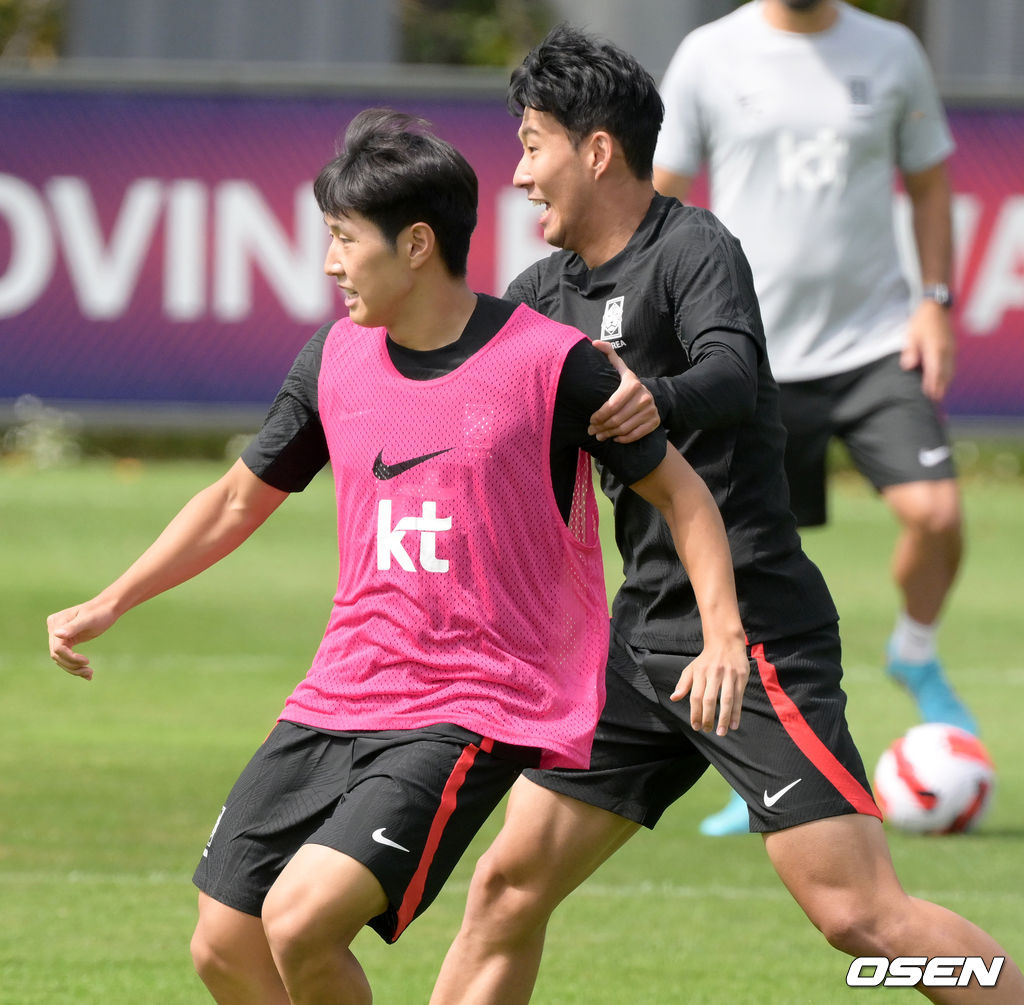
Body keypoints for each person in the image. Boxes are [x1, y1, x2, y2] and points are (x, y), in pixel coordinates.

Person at [46, 108, 749, 1005]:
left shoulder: (552, 365)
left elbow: (684, 496)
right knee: (224, 942)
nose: (330, 263)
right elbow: (234, 499)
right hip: (341, 689)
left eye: (344, 239)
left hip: (474, 698)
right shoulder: (336, 358)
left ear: (416, 244)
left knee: (301, 919)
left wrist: (722, 633)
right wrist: (112, 601)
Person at [429, 26, 1024, 1005]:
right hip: (638, 641)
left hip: (750, 636)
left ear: (596, 150)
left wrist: (645, 399)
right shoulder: (538, 298)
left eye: (533, 143)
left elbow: (734, 376)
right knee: (503, 888)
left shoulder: (693, 248)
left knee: (859, 917)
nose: (521, 173)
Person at [652, 0, 974, 836]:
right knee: (753, 566)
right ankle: (751, 769)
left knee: (936, 512)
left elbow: (932, 183)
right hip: (751, 358)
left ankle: (914, 648)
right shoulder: (708, 55)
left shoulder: (893, 51)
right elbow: (658, 201)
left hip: (875, 344)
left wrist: (935, 302)